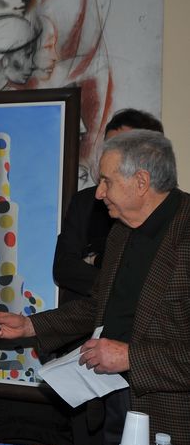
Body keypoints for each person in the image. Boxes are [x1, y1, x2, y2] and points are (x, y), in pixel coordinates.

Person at [0, 129, 190, 445]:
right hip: (111, 402)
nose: (99, 194)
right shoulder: (121, 232)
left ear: (141, 182)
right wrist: (30, 325)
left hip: (172, 420)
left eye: (107, 181)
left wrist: (129, 357)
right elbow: (98, 307)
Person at [53, 109, 164, 304]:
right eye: (109, 146)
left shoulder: (172, 210)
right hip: (82, 316)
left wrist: (93, 261)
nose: (113, 155)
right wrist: (116, 285)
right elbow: (64, 267)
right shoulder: (86, 201)